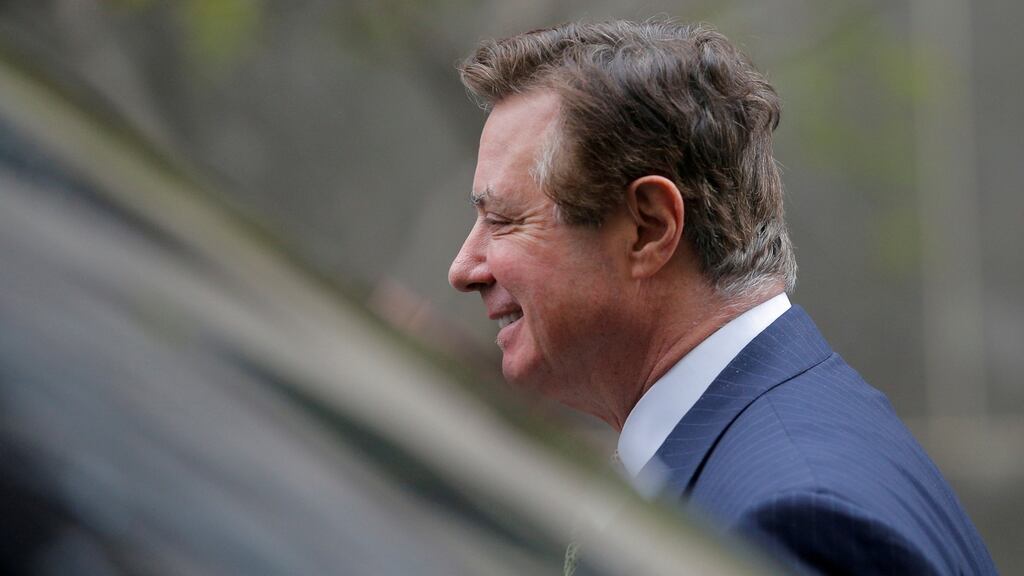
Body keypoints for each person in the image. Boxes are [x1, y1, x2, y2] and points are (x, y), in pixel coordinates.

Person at [447, 19, 995, 575]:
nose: (463, 269)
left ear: (649, 229)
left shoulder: (785, 523)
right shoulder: (768, 446)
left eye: (503, 219)